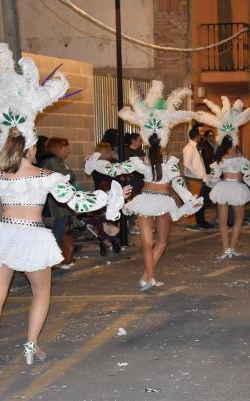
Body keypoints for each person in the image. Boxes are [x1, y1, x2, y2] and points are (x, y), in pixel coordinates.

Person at [0, 42, 128, 378]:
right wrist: (112, 196)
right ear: (33, 146)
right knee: (41, 291)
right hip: (31, 238)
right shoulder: (47, 176)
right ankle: (31, 346)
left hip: (1, 236)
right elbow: (80, 203)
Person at [85, 80, 201, 291]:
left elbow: (115, 169)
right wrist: (188, 199)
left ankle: (149, 277)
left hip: (146, 200)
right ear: (165, 137)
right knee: (162, 243)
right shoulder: (170, 162)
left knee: (147, 244)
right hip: (164, 201)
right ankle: (147, 276)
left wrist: (95, 164)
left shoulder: (141, 160)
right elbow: (178, 183)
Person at [195, 97, 250, 259]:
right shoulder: (241, 158)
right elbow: (249, 177)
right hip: (237, 189)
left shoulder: (220, 158)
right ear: (235, 139)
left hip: (223, 189)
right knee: (238, 220)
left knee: (222, 222)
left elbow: (214, 179)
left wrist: (206, 182)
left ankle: (226, 250)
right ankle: (231, 248)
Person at [40, 137, 77, 268]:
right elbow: (65, 176)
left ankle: (54, 259)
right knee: (57, 231)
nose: (68, 151)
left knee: (57, 231)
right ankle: (53, 260)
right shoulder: (53, 161)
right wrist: (71, 173)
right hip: (55, 205)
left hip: (54, 204)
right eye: (66, 148)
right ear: (60, 148)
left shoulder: (50, 160)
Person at [91, 142, 123, 256]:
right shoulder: (108, 166)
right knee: (111, 218)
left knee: (101, 219)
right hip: (109, 195)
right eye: (109, 151)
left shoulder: (94, 166)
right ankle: (113, 238)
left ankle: (103, 240)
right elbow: (117, 175)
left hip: (99, 195)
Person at [183, 124, 212, 230]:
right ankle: (192, 223)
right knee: (193, 202)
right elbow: (187, 164)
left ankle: (199, 222)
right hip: (194, 179)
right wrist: (197, 175)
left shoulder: (194, 147)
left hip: (198, 179)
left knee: (199, 203)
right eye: (200, 134)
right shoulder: (189, 148)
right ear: (197, 136)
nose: (202, 136)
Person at [124, 132, 145, 235]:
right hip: (131, 180)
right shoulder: (126, 151)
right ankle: (132, 225)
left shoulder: (140, 151)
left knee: (140, 203)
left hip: (141, 180)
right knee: (131, 202)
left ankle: (140, 224)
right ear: (133, 140)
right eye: (140, 140)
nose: (141, 142)